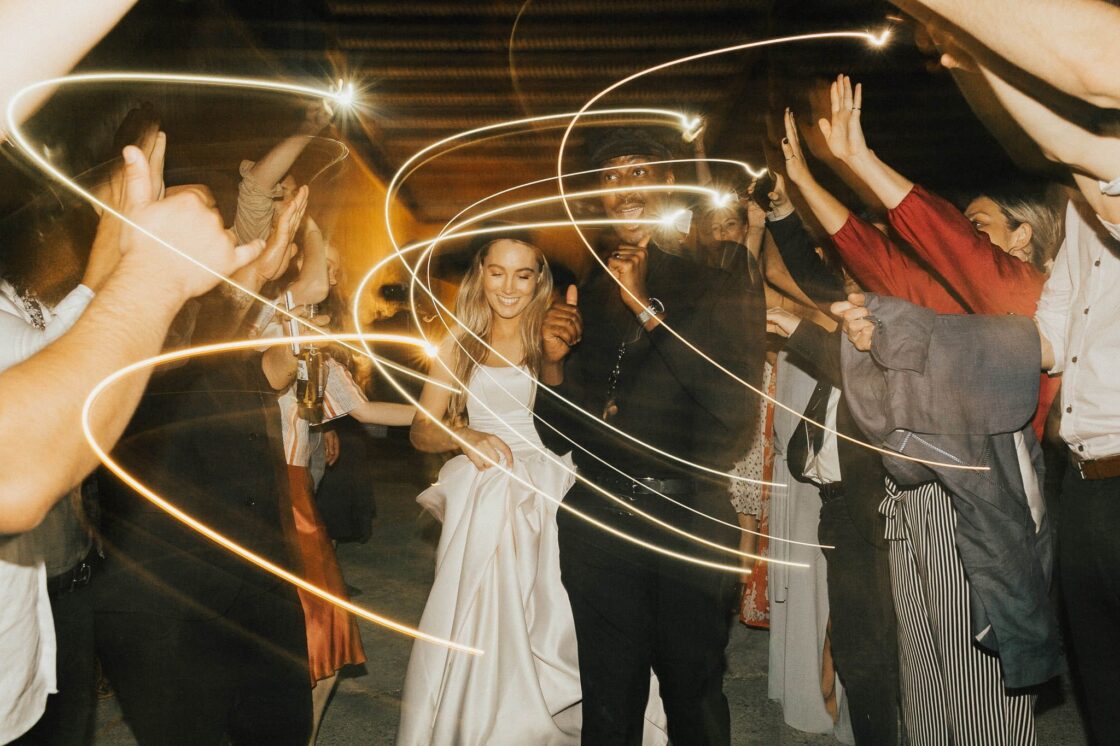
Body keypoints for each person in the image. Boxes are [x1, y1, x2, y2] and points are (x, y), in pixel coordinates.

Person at [535, 127, 764, 745]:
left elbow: (733, 416)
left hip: (689, 519)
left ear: (667, 181)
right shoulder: (587, 291)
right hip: (598, 520)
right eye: (611, 177)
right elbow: (556, 435)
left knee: (694, 693)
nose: (624, 188)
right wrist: (551, 366)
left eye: (639, 171)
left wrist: (647, 312)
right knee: (608, 700)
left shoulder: (720, 282)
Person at [400, 232, 642, 744]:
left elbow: (588, 416)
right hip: (488, 489)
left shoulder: (557, 331)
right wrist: (462, 435)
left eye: (522, 274)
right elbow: (421, 430)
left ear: (539, 280)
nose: (508, 287)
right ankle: (488, 721)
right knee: (485, 613)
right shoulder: (461, 340)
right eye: (497, 272)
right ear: (480, 275)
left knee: (559, 616)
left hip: (553, 481)